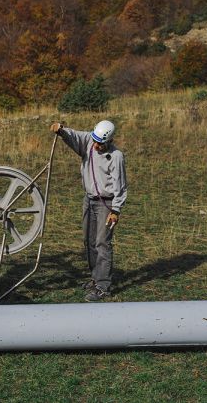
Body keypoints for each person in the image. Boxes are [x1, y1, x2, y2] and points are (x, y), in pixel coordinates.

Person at [50, 119, 127, 301]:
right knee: (89, 241)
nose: (97, 146)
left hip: (106, 205)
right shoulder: (89, 142)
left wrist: (115, 210)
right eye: (96, 141)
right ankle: (95, 277)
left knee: (102, 243)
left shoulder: (116, 156)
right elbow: (74, 135)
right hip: (89, 200)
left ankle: (103, 286)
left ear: (109, 141)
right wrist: (61, 131)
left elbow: (120, 186)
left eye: (101, 143)